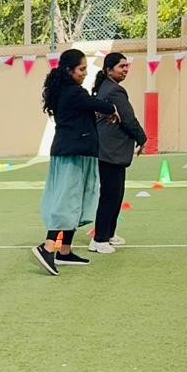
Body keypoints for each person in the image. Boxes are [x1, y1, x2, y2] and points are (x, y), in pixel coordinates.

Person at [32, 48, 120, 276]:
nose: (85, 73)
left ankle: (65, 251)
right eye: (81, 69)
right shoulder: (73, 92)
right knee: (68, 200)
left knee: (76, 199)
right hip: (72, 153)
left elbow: (91, 108)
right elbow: (102, 105)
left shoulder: (67, 91)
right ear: (69, 70)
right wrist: (112, 110)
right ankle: (48, 246)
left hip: (76, 151)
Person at [89, 53, 147, 254]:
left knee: (116, 194)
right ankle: (99, 239)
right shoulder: (114, 91)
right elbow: (128, 118)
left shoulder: (107, 88)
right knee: (110, 195)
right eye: (121, 66)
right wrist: (142, 138)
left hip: (110, 151)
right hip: (110, 151)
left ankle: (109, 233)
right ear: (109, 70)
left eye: (127, 66)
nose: (125, 70)